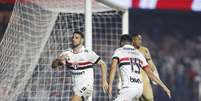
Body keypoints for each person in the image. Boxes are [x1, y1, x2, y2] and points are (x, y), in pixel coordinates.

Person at [108, 35, 171, 101]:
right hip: (139, 88)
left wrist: (110, 85)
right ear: (131, 43)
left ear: (121, 43)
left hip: (129, 89)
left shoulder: (119, 51)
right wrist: (164, 87)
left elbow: (113, 68)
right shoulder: (139, 54)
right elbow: (150, 74)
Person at [52, 31, 108, 101]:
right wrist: (58, 59)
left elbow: (103, 64)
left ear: (82, 40)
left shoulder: (88, 53)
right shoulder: (67, 54)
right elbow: (53, 66)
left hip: (87, 86)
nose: (73, 39)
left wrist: (104, 81)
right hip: (75, 87)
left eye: (76, 38)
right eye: (73, 37)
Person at [132, 34, 160, 101]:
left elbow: (151, 64)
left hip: (144, 82)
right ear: (133, 40)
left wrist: (155, 74)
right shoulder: (127, 51)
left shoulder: (144, 50)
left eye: (140, 39)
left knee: (149, 99)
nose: (140, 41)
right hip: (133, 83)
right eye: (138, 39)